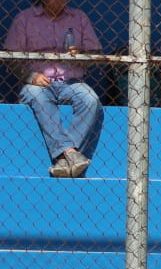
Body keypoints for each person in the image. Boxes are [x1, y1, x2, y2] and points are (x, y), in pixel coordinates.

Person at [3, 0, 103, 178]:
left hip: (71, 81)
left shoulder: (79, 18)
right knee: (37, 96)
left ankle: (65, 157)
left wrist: (80, 54)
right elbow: (10, 56)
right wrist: (30, 77)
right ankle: (72, 154)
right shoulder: (24, 19)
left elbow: (96, 53)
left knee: (91, 99)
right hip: (38, 81)